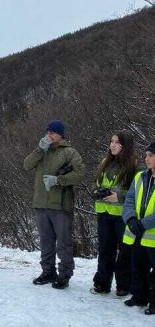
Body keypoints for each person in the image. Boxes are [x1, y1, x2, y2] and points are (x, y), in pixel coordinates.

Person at [23, 119, 85, 289]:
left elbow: (80, 172)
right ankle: (48, 271)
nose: (48, 135)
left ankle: (65, 274)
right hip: (41, 203)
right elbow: (27, 165)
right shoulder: (42, 151)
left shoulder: (69, 152)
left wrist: (59, 180)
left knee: (63, 242)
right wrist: (39, 150)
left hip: (61, 205)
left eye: (52, 132)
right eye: (47, 132)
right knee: (46, 241)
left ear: (60, 135)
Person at [90, 132, 137, 297]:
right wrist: (96, 191)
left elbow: (138, 191)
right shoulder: (105, 162)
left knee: (125, 251)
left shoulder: (134, 165)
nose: (113, 145)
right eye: (112, 141)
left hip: (122, 214)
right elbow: (95, 182)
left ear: (126, 145)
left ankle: (124, 285)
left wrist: (119, 196)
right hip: (103, 212)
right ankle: (102, 283)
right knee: (105, 249)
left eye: (117, 142)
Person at [122, 142, 155, 315]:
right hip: (138, 232)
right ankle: (139, 296)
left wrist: (143, 224)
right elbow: (129, 200)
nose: (146, 158)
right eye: (146, 155)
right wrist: (131, 219)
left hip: (151, 233)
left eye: (151, 155)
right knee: (138, 267)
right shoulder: (140, 177)